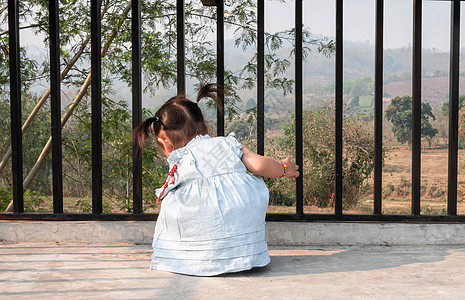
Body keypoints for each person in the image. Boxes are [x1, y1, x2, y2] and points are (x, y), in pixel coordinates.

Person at [133, 83, 299, 276]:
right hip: (243, 227)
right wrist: (285, 168)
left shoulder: (179, 158)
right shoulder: (227, 143)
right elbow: (260, 166)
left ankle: (191, 256)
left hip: (197, 238)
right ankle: (239, 252)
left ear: (166, 143)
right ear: (206, 127)